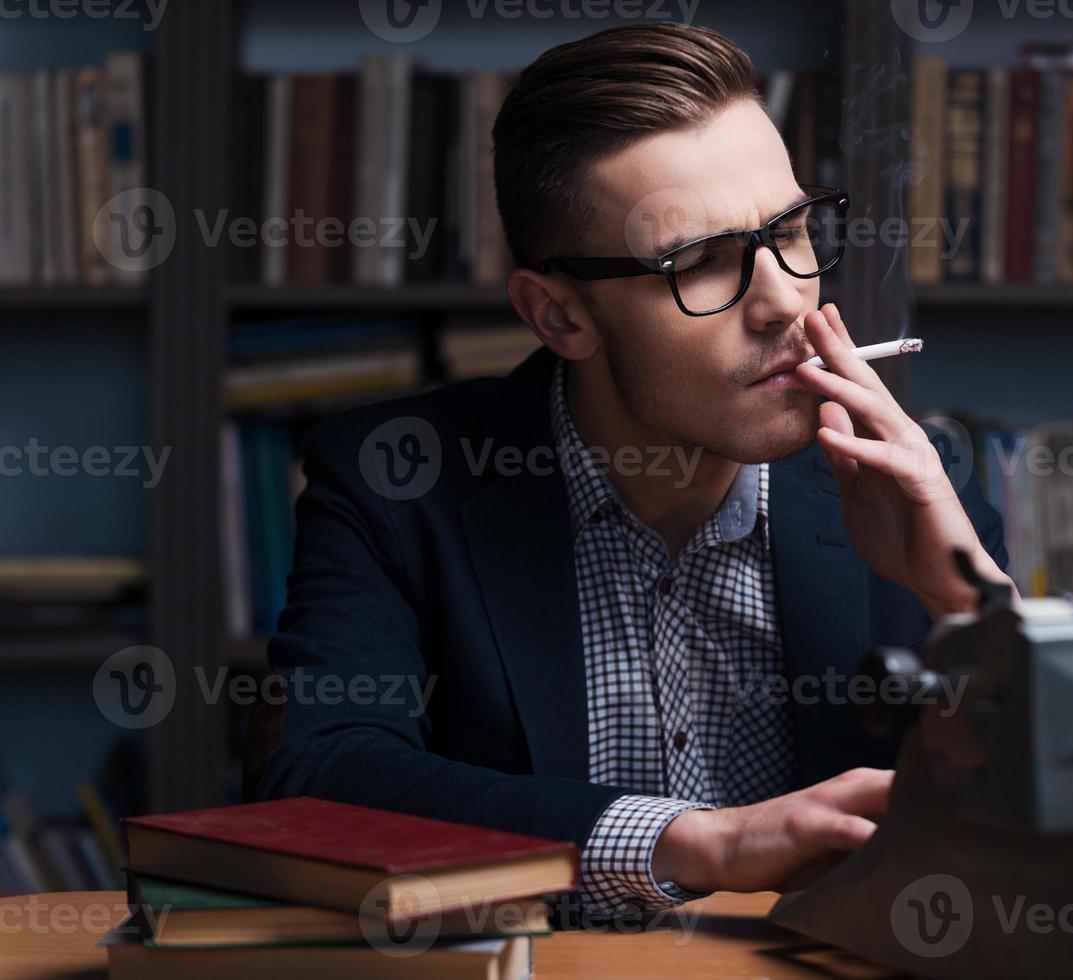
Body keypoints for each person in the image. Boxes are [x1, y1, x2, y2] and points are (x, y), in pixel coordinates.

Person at [259, 21, 1012, 917]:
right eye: (700, 264)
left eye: (794, 231)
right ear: (560, 316)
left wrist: (968, 606)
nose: (782, 301)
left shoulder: (908, 481)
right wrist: (702, 842)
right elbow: (318, 778)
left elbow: (1051, 828)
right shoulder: (397, 485)